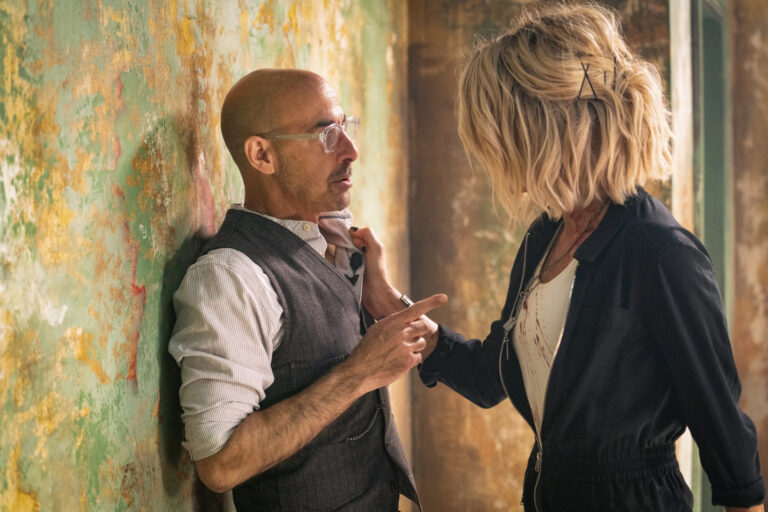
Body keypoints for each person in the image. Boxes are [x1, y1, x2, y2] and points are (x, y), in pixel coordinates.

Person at [351, 4, 765, 512]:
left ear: (553, 131)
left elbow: (732, 459)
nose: (499, 157)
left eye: (507, 135)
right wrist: (390, 304)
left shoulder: (662, 256)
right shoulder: (544, 237)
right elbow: (491, 375)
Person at [169, 68, 445, 511]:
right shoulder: (231, 277)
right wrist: (358, 373)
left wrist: (387, 301)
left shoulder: (333, 241)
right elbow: (220, 463)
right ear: (262, 155)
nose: (351, 150)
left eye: (346, 127)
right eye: (326, 134)